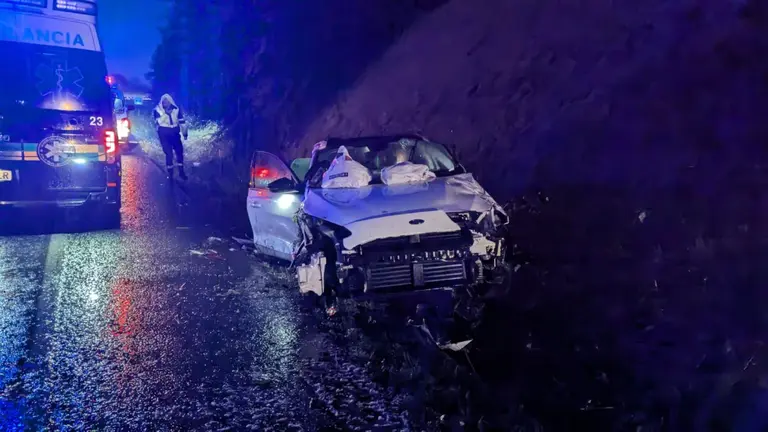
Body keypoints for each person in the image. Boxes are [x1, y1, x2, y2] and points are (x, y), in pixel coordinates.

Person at [153, 93, 188, 180]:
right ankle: (170, 174)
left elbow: (182, 122)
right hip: (164, 134)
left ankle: (181, 172)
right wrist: (166, 114)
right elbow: (158, 122)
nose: (165, 103)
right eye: (164, 101)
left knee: (179, 152)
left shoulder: (176, 109)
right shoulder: (157, 110)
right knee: (169, 154)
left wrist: (185, 133)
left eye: (167, 101)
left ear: (170, 101)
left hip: (175, 134)